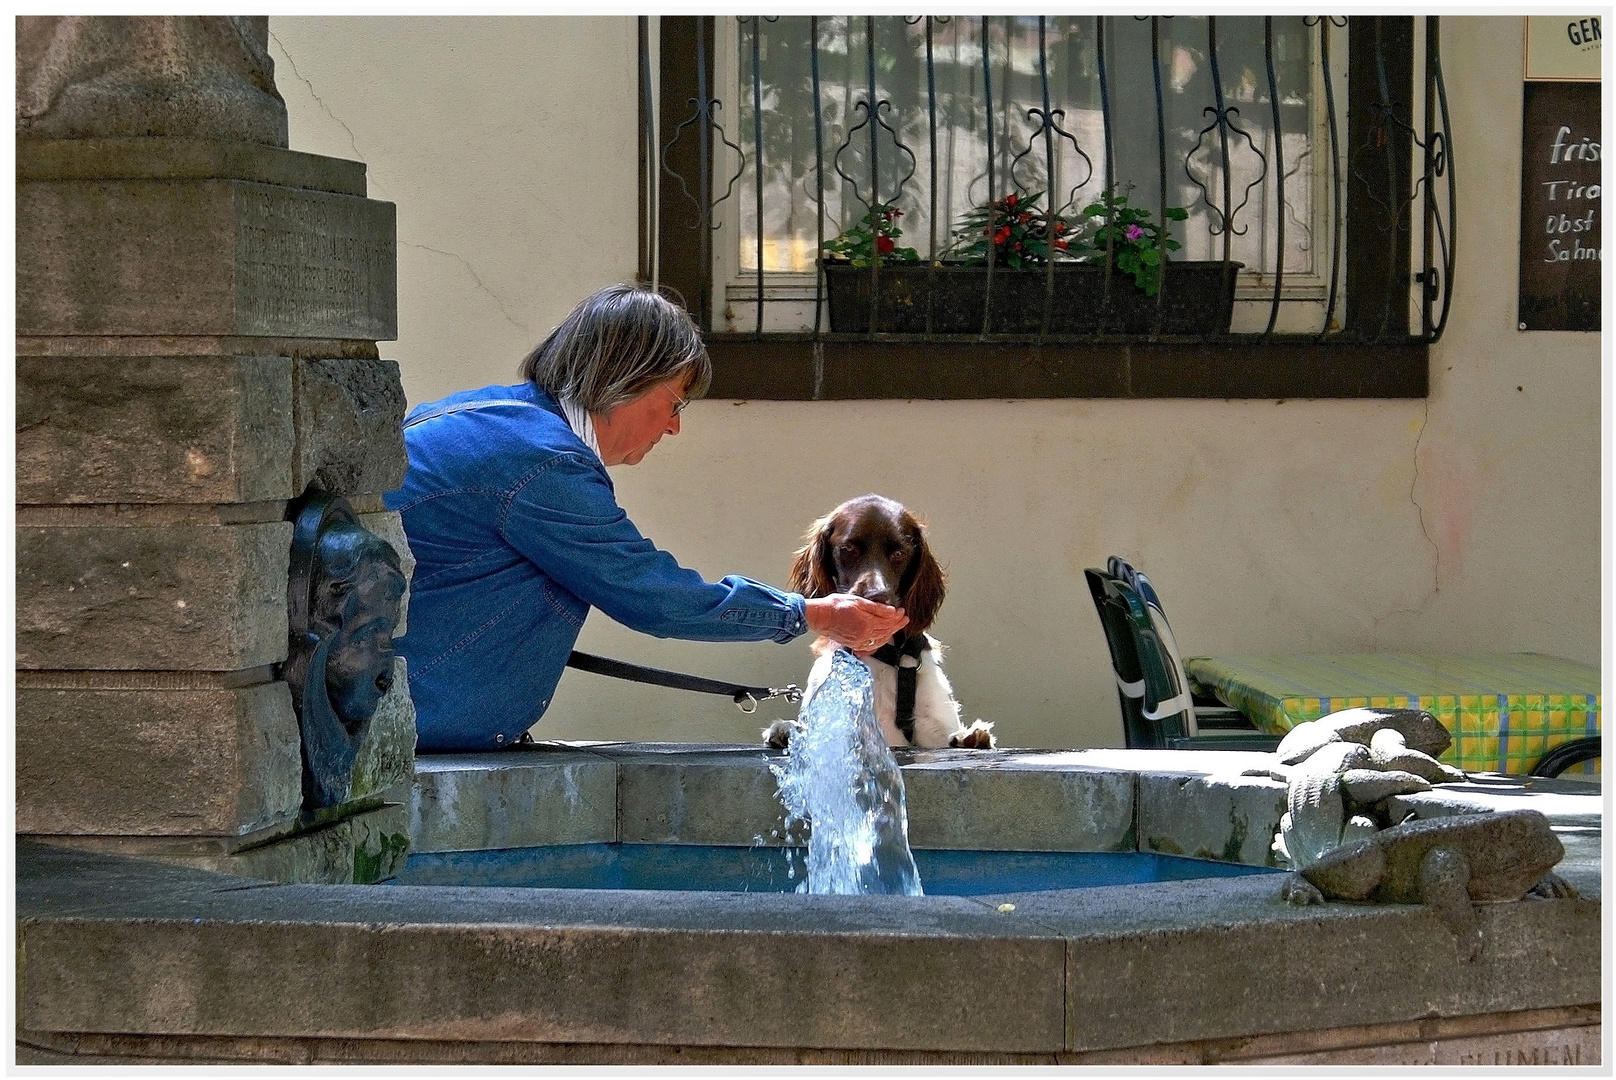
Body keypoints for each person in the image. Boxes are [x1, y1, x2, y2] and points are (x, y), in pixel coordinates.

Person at [384, 284, 907, 751]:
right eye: (674, 403)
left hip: (383, 706)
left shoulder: (496, 419)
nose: (675, 428)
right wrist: (811, 615)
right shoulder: (542, 463)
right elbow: (654, 596)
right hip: (412, 726)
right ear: (625, 379)